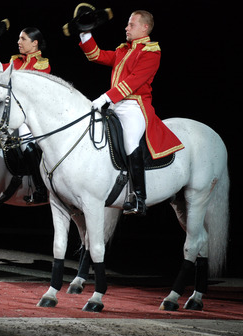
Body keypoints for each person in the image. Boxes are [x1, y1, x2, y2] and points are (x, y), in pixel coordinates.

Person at [77, 9, 184, 215]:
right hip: (116, 105)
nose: (126, 28)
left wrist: (106, 97)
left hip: (135, 105)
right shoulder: (123, 50)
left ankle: (138, 196)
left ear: (145, 27)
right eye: (127, 24)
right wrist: (85, 33)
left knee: (130, 141)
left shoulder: (151, 51)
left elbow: (134, 80)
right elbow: (96, 55)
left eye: (131, 24)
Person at [0, 23, 50, 204]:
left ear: (35, 43)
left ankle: (40, 188)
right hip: (15, 115)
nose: (18, 42)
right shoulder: (16, 62)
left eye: (23, 39)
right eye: (19, 38)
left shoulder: (42, 64)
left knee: (25, 141)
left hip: (32, 116)